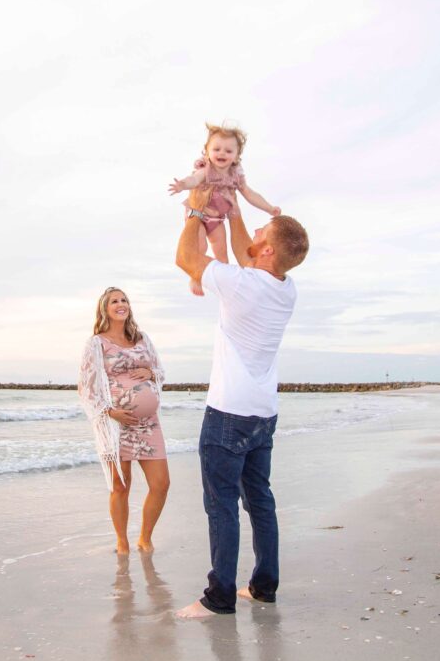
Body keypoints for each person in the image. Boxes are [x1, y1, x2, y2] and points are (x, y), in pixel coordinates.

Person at [173, 201, 309, 618]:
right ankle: (264, 587)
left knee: (222, 505)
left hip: (229, 414)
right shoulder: (285, 288)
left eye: (260, 234)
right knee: (260, 501)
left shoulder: (243, 285)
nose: (253, 238)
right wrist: (231, 208)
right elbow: (244, 250)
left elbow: (185, 259)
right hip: (263, 413)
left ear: (267, 251)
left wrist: (196, 213)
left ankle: (219, 598)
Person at [78, 287, 170, 555]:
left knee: (161, 484)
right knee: (120, 486)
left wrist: (151, 372)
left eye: (124, 300)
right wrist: (109, 411)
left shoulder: (142, 338)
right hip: (115, 425)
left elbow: (160, 370)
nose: (121, 304)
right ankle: (122, 542)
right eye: (114, 301)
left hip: (148, 423)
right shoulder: (96, 343)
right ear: (104, 309)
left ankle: (145, 537)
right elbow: (86, 387)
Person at [168, 123, 282, 296]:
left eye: (228, 151)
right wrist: (182, 185)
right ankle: (195, 277)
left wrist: (269, 208)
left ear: (236, 157)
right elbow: (193, 179)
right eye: (217, 149)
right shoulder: (206, 169)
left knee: (221, 249)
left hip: (217, 219)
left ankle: (224, 282)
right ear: (207, 152)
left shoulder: (236, 175)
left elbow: (250, 194)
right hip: (198, 213)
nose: (222, 153)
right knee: (200, 246)